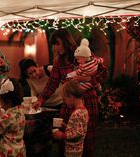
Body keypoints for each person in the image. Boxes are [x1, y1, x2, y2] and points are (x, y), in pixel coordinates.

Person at [34, 28, 106, 157]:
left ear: (66, 42)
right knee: (65, 136)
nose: (56, 48)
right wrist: (41, 100)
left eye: (58, 44)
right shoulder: (59, 62)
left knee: (86, 139)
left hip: (88, 101)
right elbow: (52, 83)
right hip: (69, 103)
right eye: (54, 45)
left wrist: (89, 78)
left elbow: (102, 72)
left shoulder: (83, 53)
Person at [0, 78, 26, 157]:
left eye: (1, 101)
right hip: (20, 151)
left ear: (8, 101)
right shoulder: (20, 110)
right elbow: (13, 117)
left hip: (7, 153)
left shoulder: (6, 117)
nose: (0, 104)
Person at [53, 80, 89, 157]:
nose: (65, 102)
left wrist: (63, 135)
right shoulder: (83, 110)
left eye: (64, 99)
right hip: (78, 148)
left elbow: (78, 133)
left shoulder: (77, 113)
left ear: (71, 96)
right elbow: (78, 128)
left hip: (73, 149)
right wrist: (66, 126)